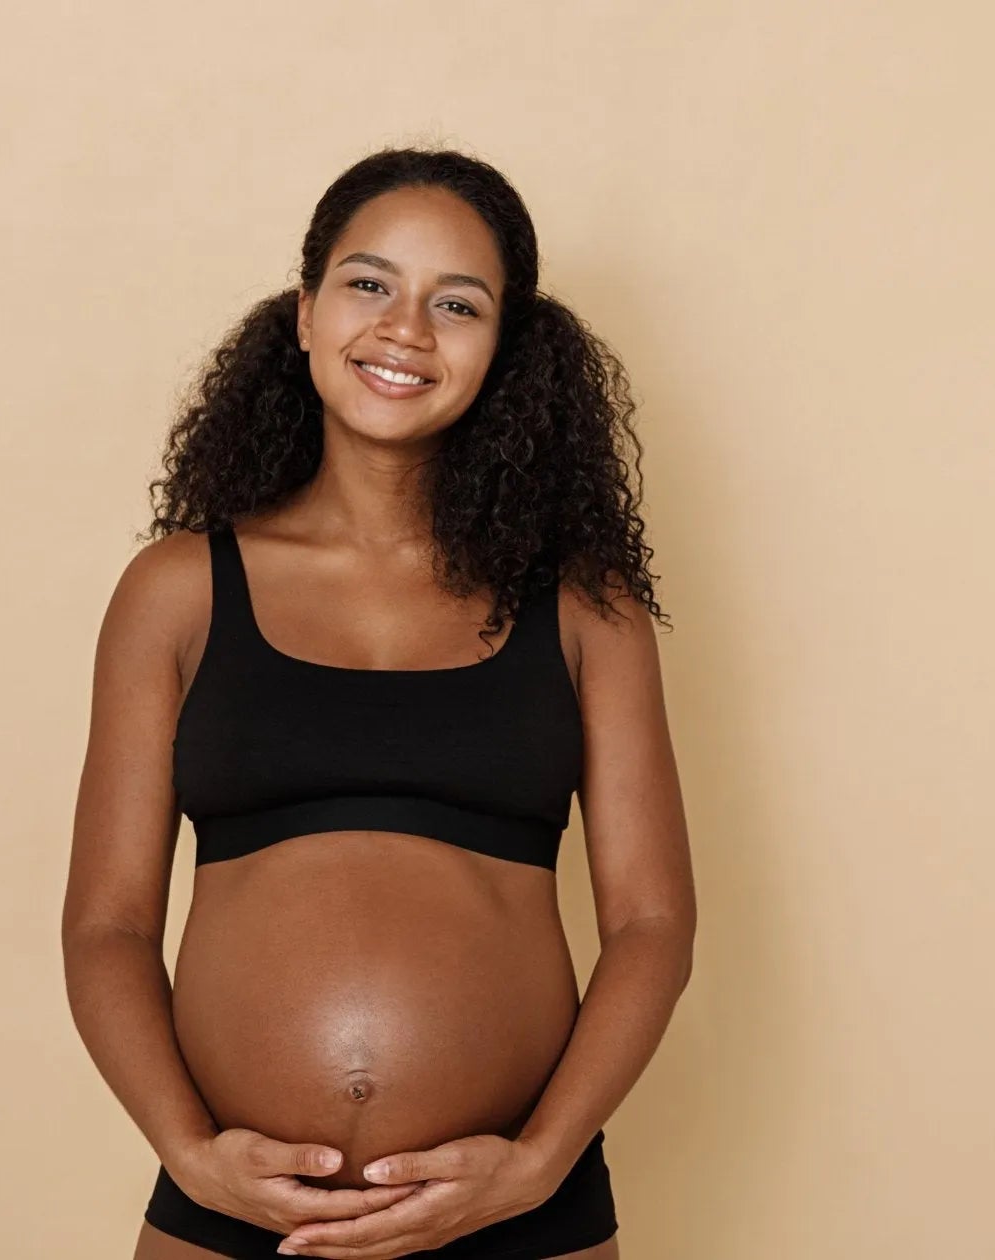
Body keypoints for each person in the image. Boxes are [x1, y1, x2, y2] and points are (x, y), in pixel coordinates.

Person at [61, 146, 695, 1260]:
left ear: (503, 352)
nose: (405, 328)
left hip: (515, 1210)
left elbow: (652, 924)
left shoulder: (585, 610)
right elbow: (106, 926)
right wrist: (191, 1155)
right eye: (368, 284)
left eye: (457, 303)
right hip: (234, 1211)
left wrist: (538, 1164)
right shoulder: (177, 592)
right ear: (302, 315)